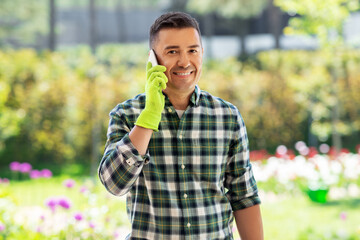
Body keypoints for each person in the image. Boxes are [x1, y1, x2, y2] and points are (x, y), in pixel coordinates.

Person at [98, 11, 263, 240]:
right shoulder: (126, 115)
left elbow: (244, 197)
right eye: (172, 51)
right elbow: (114, 185)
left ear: (202, 54)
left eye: (192, 51)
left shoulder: (228, 117)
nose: (184, 61)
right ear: (153, 59)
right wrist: (148, 118)